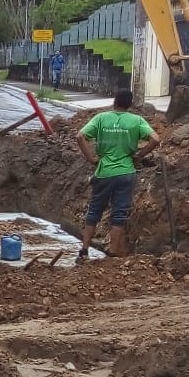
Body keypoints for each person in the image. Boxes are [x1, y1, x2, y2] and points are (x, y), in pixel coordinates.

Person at [75, 88, 161, 261]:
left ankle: (84, 250)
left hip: (104, 172)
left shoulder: (101, 118)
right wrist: (139, 155)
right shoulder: (137, 120)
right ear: (130, 105)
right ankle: (112, 252)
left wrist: (91, 158)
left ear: (114, 101)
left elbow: (80, 136)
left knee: (94, 210)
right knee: (119, 212)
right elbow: (156, 139)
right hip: (126, 173)